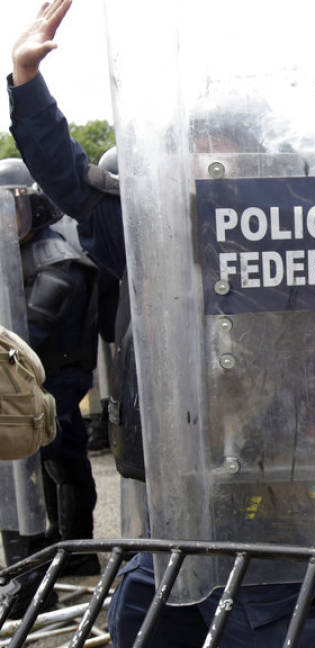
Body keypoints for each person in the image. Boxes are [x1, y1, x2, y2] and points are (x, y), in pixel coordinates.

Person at [8, 2, 315, 645]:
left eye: (223, 160)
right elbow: (75, 186)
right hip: (176, 508)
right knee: (140, 619)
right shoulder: (156, 235)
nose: (207, 175)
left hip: (273, 504)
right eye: (196, 159)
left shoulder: (301, 250)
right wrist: (27, 85)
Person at [15, 176, 101, 576]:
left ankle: (73, 549)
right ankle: (62, 544)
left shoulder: (55, 258)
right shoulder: (27, 250)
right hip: (43, 376)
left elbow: (32, 328)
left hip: (58, 377)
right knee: (54, 462)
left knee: (55, 462)